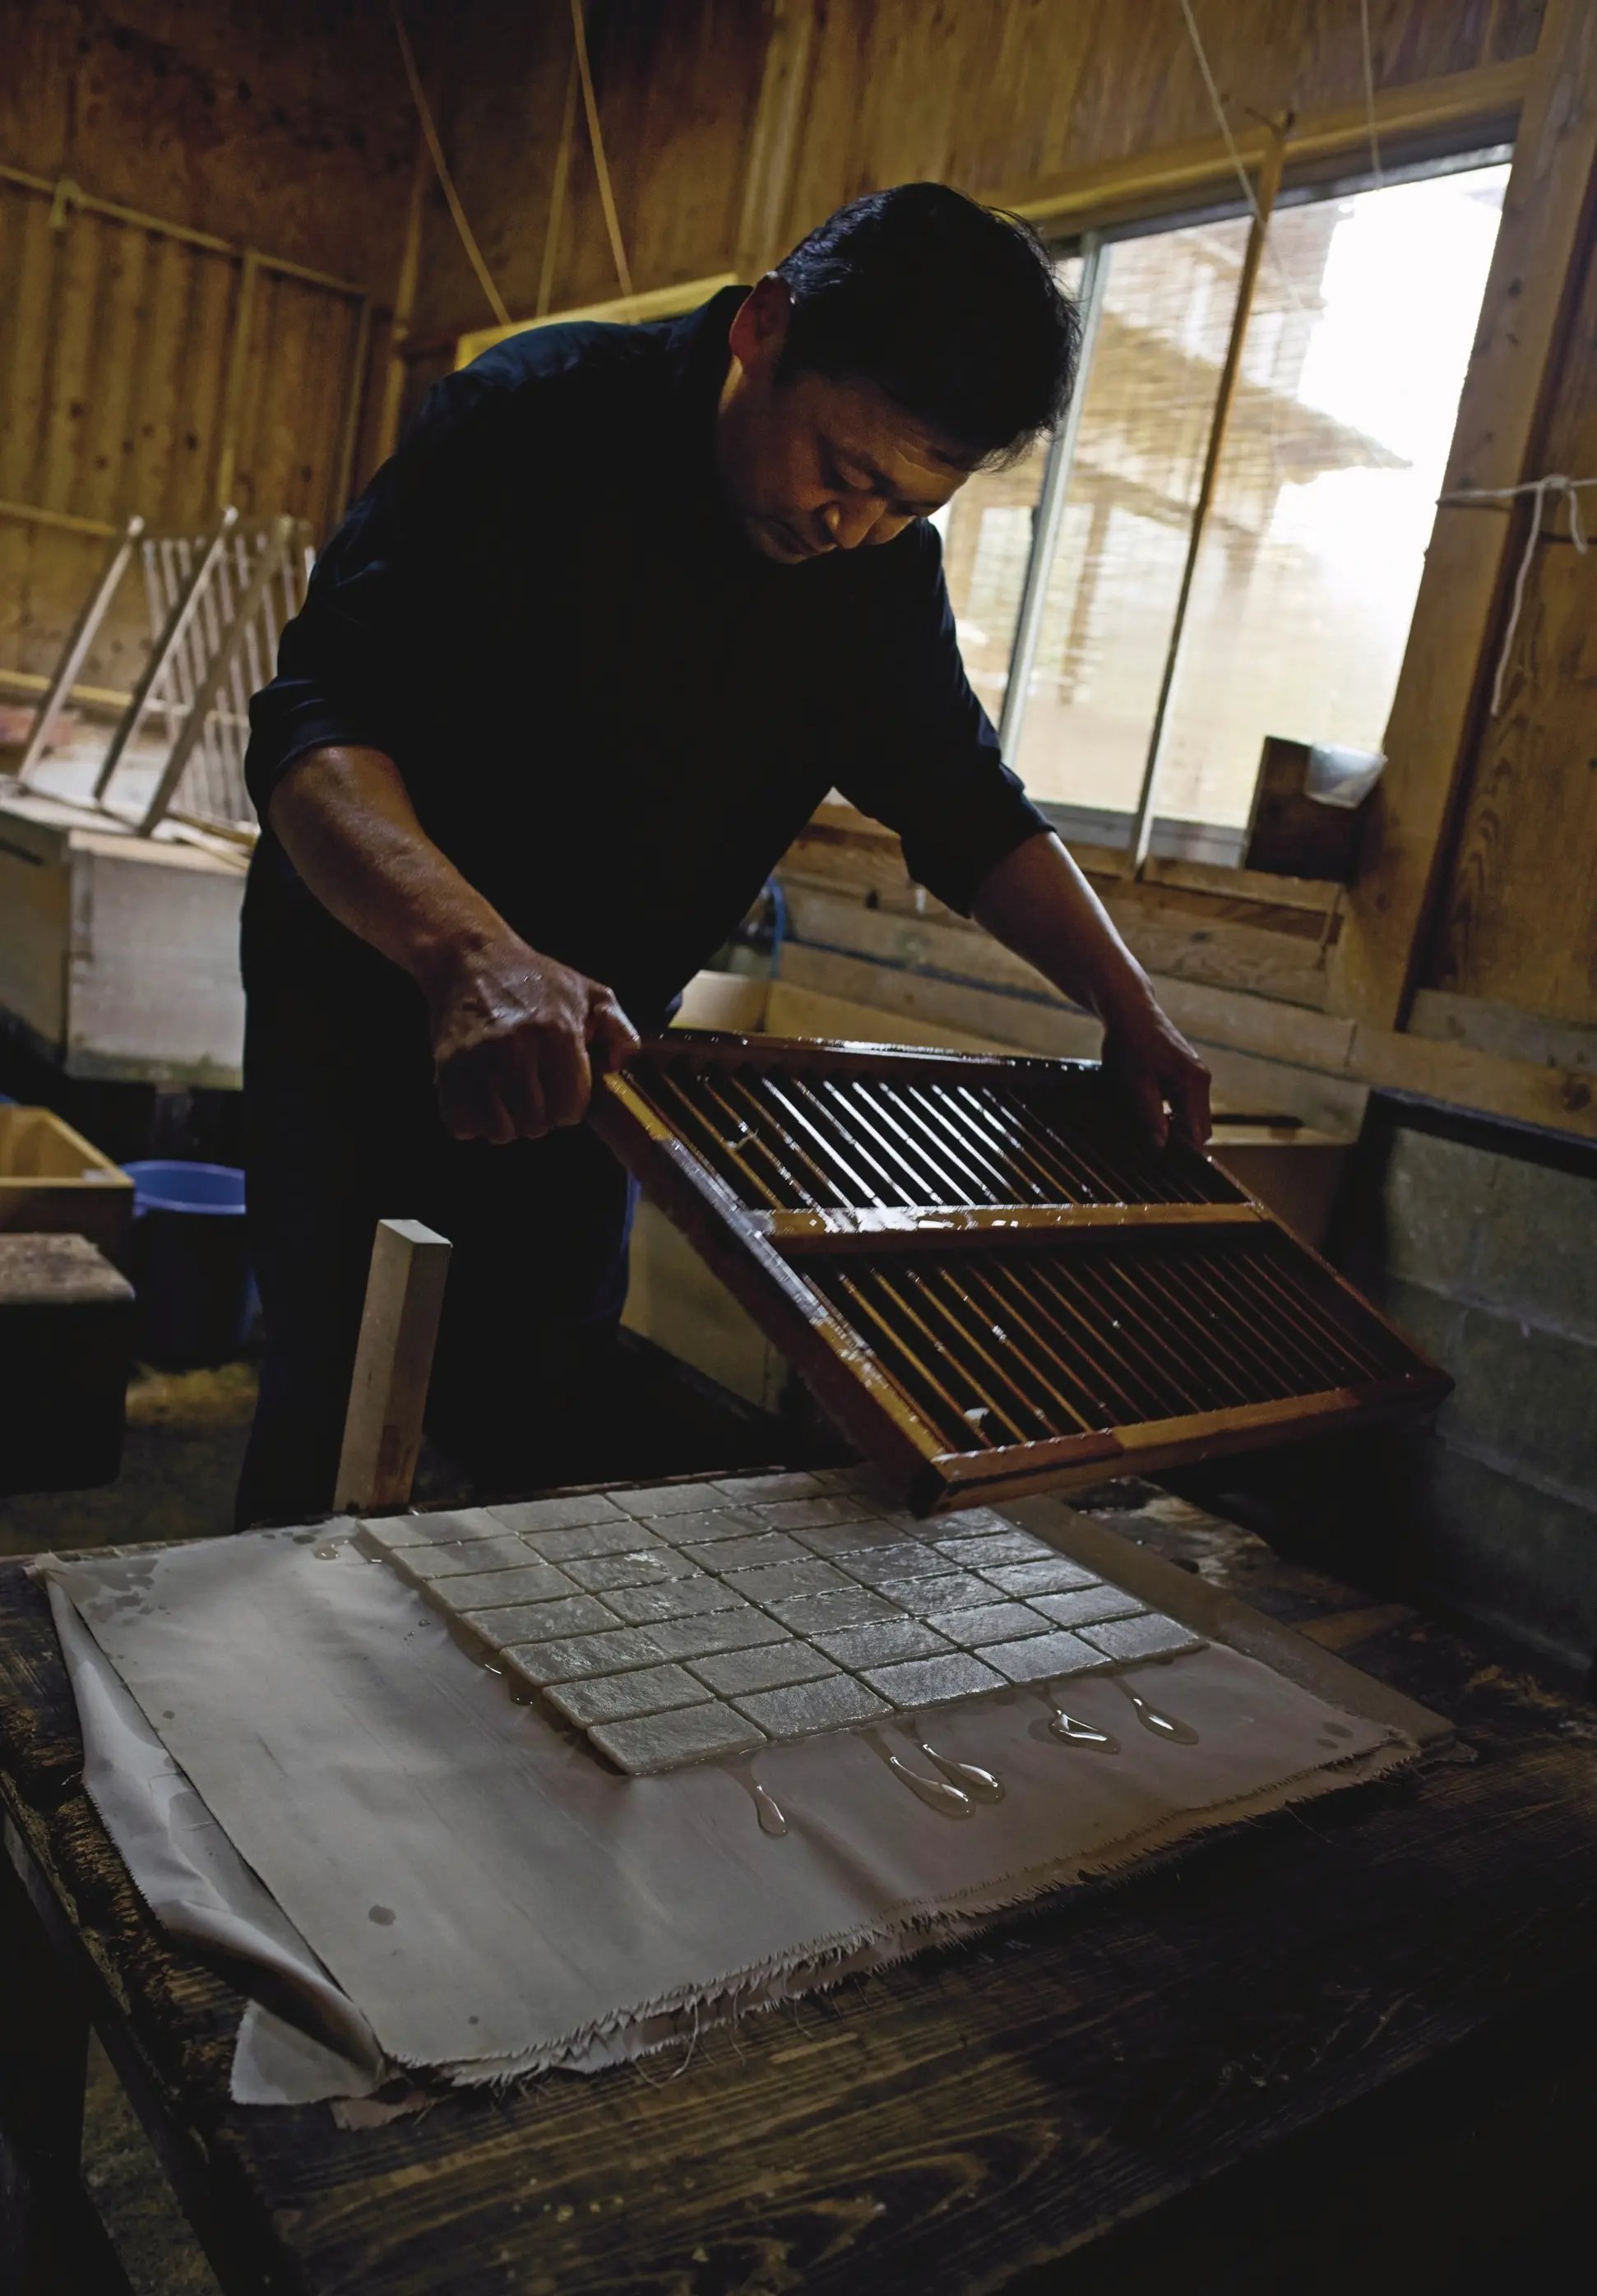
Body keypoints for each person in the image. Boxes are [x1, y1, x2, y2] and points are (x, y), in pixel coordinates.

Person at [237, 181, 1210, 1526]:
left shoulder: (872, 567)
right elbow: (313, 727)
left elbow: (965, 805)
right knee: (332, 1409)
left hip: (596, 1055)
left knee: (527, 1420)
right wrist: (469, 952)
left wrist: (1129, 1005)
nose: (848, 527)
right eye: (842, 470)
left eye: (903, 506)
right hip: (369, 991)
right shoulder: (537, 416)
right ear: (764, 329)